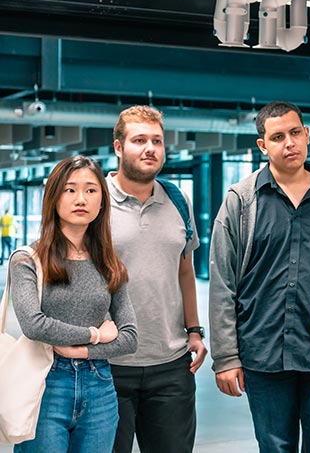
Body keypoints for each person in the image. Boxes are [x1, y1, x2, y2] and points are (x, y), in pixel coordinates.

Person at [209, 101, 310, 452]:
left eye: (295, 133)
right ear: (262, 145)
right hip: (263, 355)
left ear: (307, 136)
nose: (289, 143)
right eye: (278, 136)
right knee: (275, 448)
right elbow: (222, 283)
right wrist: (226, 357)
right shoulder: (241, 201)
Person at [10, 155, 137, 453]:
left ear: (102, 202)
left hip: (100, 387)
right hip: (44, 385)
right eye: (70, 189)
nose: (81, 198)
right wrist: (97, 335)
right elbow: (34, 324)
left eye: (91, 190)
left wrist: (80, 350)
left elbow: (130, 337)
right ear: (54, 198)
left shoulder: (109, 264)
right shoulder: (27, 260)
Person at [106, 105, 206, 453]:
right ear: (118, 147)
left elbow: (184, 269)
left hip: (171, 365)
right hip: (107, 365)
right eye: (139, 140)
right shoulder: (95, 201)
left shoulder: (178, 200)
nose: (150, 148)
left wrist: (194, 330)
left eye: (157, 141)